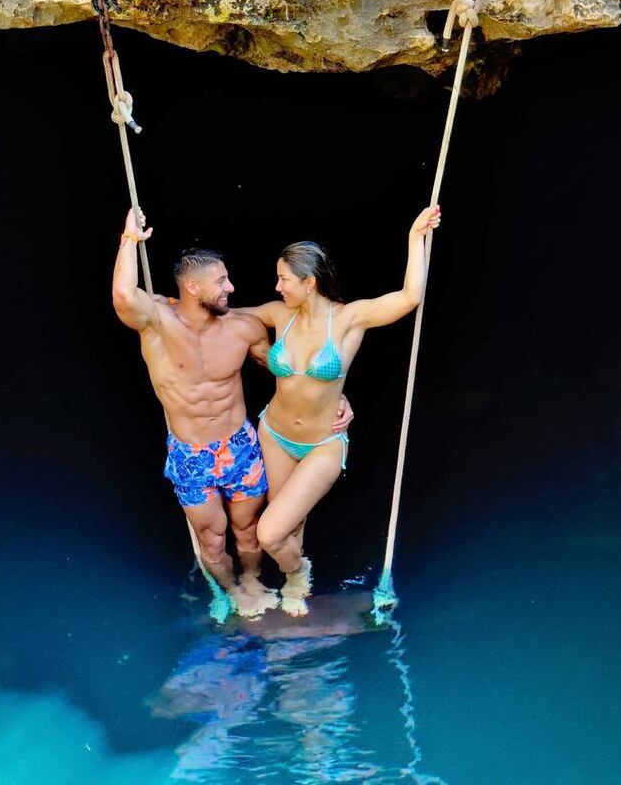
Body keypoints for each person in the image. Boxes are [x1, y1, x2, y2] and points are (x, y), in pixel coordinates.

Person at [111, 208, 353, 618]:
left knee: (248, 532)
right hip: (190, 454)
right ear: (191, 288)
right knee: (212, 540)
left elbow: (290, 372)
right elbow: (123, 296)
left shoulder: (243, 327)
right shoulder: (156, 322)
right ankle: (231, 591)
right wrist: (129, 241)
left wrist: (336, 398)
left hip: (240, 445)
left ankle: (254, 582)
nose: (231, 287)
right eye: (221, 281)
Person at [237, 205, 442, 616]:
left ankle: (297, 574)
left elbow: (410, 297)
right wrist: (163, 304)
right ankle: (294, 574)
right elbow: (222, 317)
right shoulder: (279, 315)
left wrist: (414, 236)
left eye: (283, 278)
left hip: (322, 443)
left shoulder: (348, 319)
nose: (277, 286)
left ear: (309, 282)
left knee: (270, 532)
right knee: (289, 527)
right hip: (274, 434)